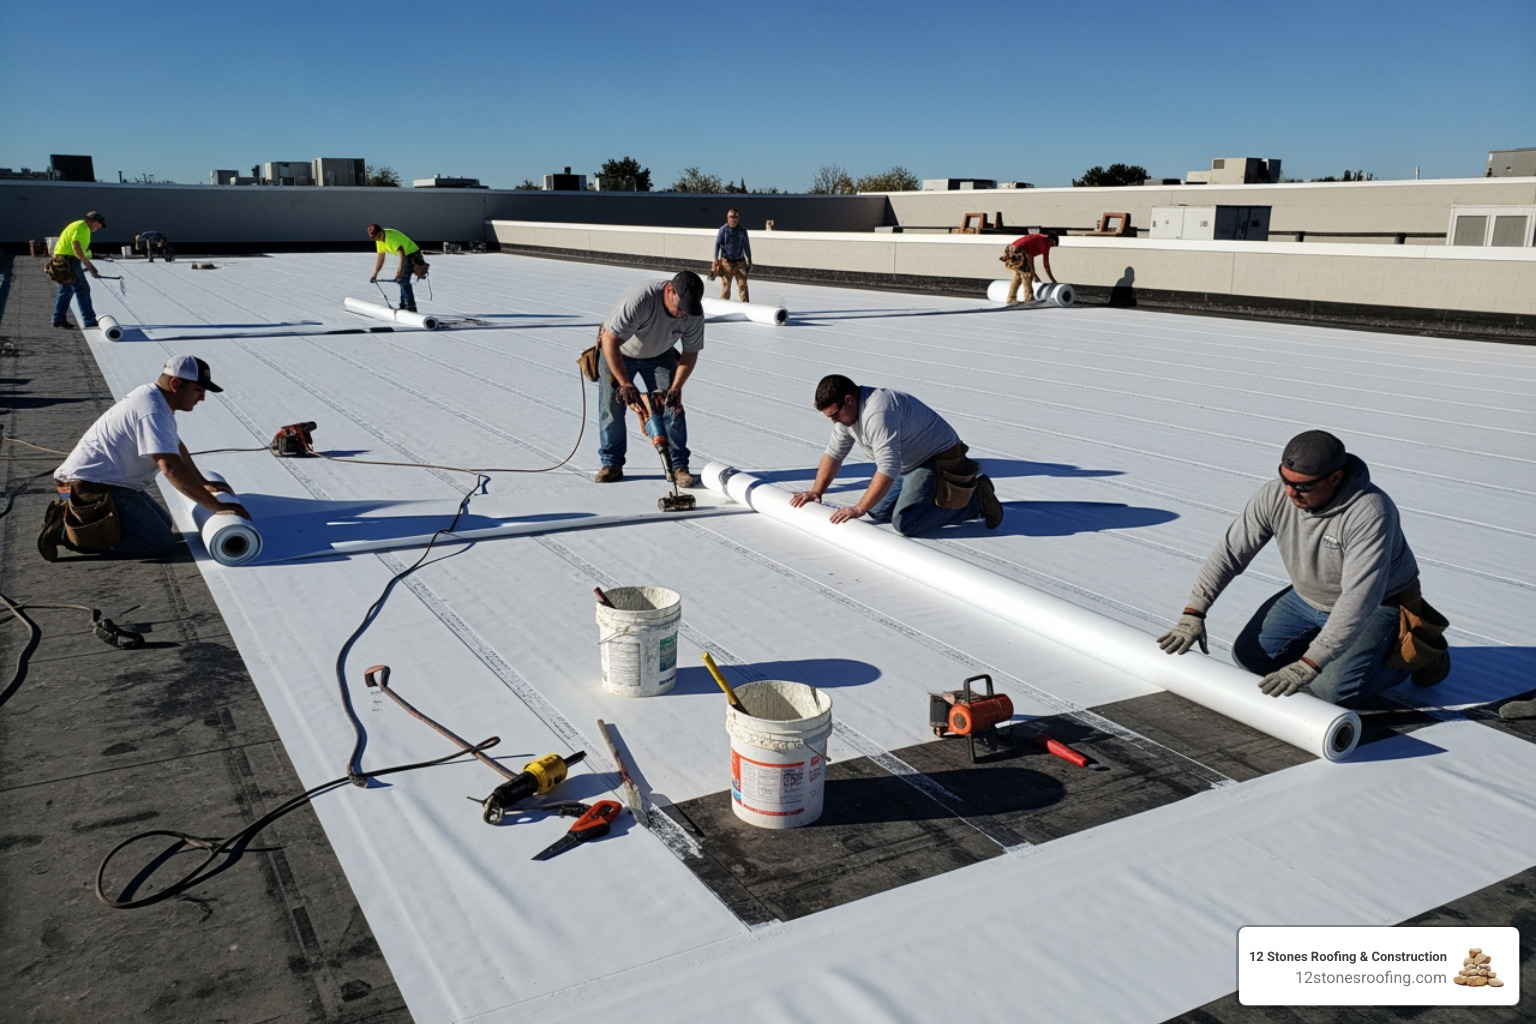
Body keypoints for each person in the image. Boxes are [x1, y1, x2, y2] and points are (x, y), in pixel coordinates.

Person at [1155, 430, 1449, 707]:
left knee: (1331, 690)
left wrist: (1310, 664)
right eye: (1285, 480)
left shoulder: (1370, 512)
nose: (1291, 492)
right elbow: (1230, 553)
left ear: (1335, 478)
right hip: (1307, 597)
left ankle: (1419, 658)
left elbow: (1358, 598)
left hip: (1378, 604)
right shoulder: (1274, 496)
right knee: (1248, 659)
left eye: (1304, 485)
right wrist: (1194, 612)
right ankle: (1334, 648)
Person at [39, 355, 250, 561]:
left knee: (164, 522)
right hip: (83, 487)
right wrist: (217, 507)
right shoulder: (152, 410)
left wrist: (203, 483)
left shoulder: (155, 399)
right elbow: (171, 467)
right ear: (176, 383)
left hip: (101, 483)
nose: (202, 397)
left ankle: (78, 517)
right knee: (159, 542)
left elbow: (177, 446)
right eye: (198, 390)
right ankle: (66, 532)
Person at [789, 374, 1003, 537]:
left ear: (849, 400)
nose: (834, 421)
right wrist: (817, 491)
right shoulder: (846, 417)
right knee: (877, 511)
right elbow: (834, 454)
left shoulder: (878, 412)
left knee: (906, 522)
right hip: (909, 462)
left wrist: (858, 507)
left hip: (936, 458)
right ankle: (930, 495)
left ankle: (975, 500)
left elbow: (888, 467)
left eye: (835, 415)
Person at [594, 272, 706, 486]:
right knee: (612, 406)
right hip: (619, 351)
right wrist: (625, 383)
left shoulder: (692, 313)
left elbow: (690, 353)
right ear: (670, 291)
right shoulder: (641, 299)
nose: (683, 314)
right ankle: (612, 464)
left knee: (672, 406)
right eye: (680, 307)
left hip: (660, 353)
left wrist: (676, 387)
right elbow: (609, 339)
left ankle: (678, 465)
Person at [52, 211, 105, 329]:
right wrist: (90, 266)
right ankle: (89, 320)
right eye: (98, 224)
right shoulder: (83, 228)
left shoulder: (76, 225)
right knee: (82, 289)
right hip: (69, 260)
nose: (99, 227)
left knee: (66, 289)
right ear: (91, 221)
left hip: (60, 259)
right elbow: (76, 246)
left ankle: (58, 318)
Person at [367, 224, 428, 313]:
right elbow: (381, 257)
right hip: (405, 254)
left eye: (378, 236)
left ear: (381, 231)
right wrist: (375, 274)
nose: (378, 239)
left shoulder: (391, 238)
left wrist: (399, 272)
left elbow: (402, 255)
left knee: (403, 279)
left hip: (411, 253)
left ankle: (410, 305)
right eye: (375, 238)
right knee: (401, 280)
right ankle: (403, 303)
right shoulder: (379, 240)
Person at [1000, 231, 1059, 305]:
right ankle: (1029, 299)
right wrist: (1053, 280)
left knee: (1018, 276)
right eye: (1052, 245)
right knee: (1027, 276)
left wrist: (1034, 275)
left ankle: (1011, 298)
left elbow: (1030, 259)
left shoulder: (1038, 238)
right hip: (1018, 252)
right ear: (1052, 240)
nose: (1050, 247)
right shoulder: (1046, 242)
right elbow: (1046, 264)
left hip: (1010, 250)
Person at [712, 208, 752, 302]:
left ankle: (745, 304)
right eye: (731, 217)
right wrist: (716, 258)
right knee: (726, 287)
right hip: (726, 263)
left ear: (738, 218)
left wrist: (749, 259)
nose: (733, 219)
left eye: (735, 217)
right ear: (727, 218)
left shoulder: (742, 231)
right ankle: (724, 306)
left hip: (740, 263)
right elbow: (717, 244)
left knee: (743, 286)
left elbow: (746, 246)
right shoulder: (723, 230)